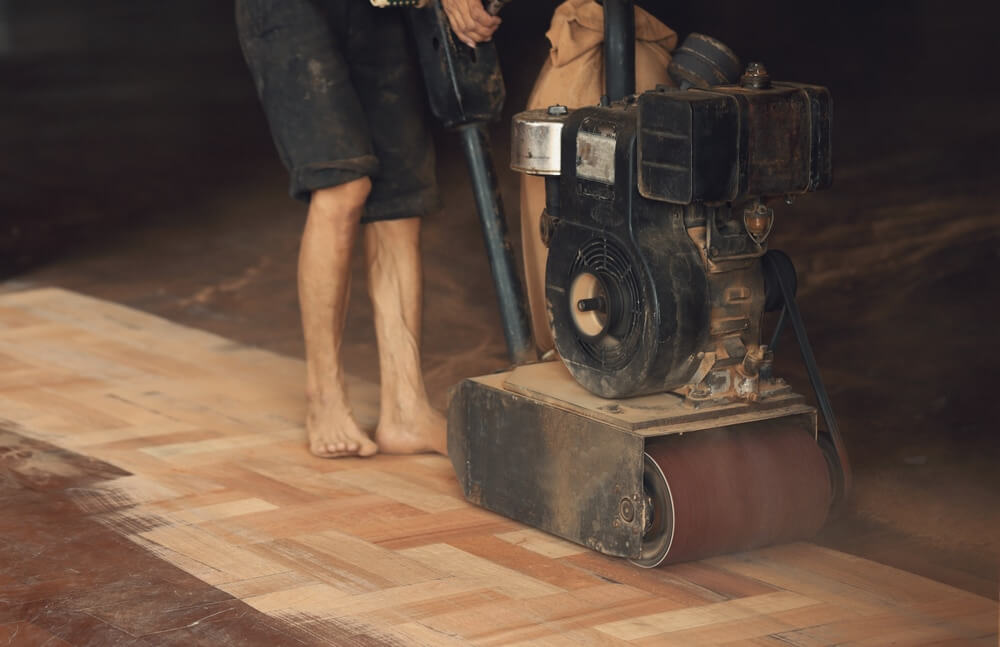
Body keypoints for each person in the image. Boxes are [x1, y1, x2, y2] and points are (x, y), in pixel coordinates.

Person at [235, 0, 500, 458]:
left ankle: (406, 409)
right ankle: (324, 397)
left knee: (400, 205)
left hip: (384, 10)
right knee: (342, 184)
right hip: (294, 11)